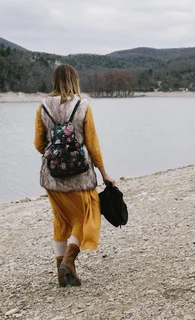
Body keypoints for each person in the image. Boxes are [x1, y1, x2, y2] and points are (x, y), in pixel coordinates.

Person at [34, 64, 116, 287]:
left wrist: (55, 157)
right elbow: (93, 145)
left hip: (51, 177)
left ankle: (61, 274)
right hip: (80, 177)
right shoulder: (82, 106)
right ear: (74, 80)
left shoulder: (42, 108)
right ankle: (69, 260)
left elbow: (38, 143)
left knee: (61, 220)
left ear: (54, 80)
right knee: (88, 215)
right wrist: (104, 173)